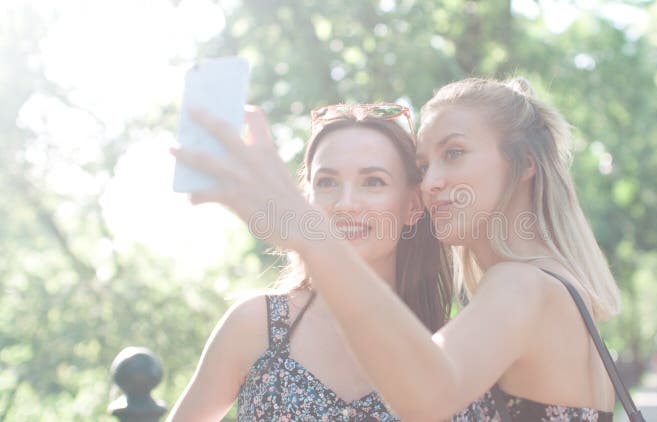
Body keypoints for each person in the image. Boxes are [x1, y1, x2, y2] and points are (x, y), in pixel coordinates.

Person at [174, 77, 623, 421]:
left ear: (524, 164)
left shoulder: (522, 283)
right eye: (425, 165)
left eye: (455, 153)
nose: (432, 183)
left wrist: (308, 234)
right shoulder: (509, 300)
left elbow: (430, 395)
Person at [167, 103, 481, 421]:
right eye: (327, 182)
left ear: (413, 205)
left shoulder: (456, 348)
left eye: (373, 182)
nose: (345, 204)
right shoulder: (255, 325)